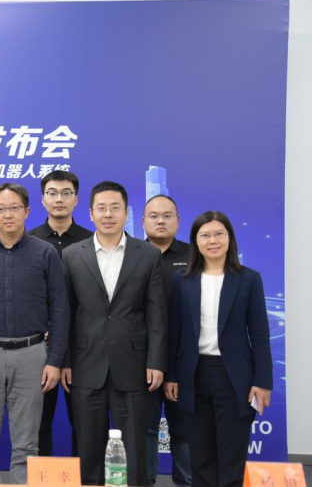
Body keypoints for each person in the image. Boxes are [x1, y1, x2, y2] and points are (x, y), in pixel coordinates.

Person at [60, 181, 167, 486]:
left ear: (126, 213)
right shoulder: (72, 254)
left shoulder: (148, 254)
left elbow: (157, 314)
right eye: (102, 208)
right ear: (90, 213)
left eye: (115, 208)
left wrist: (156, 361)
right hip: (85, 365)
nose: (108, 214)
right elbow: (65, 313)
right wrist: (65, 361)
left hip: (134, 366)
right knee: (88, 447)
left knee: (134, 449)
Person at [0, 183, 69, 484]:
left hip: (32, 355)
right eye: (1, 209)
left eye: (14, 208)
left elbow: (59, 310)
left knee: (26, 445)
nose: (8, 214)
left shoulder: (46, 253)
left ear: (27, 211)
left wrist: (54, 361)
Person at [165, 211, 272, 487]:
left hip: (234, 377)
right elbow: (174, 333)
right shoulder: (182, 279)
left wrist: (263, 381)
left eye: (218, 234)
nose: (212, 241)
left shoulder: (249, 279)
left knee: (232, 456)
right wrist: (172, 375)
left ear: (229, 238)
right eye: (205, 235)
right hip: (193, 375)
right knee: (200, 457)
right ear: (196, 241)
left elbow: (259, 334)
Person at [28, 170, 92, 458]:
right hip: (39, 347)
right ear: (42, 199)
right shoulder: (28, 241)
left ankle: (85, 477)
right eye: (52, 193)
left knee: (85, 424)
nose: (59, 199)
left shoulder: (92, 241)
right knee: (38, 424)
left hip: (83, 349)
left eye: (66, 193)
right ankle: (41, 477)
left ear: (76, 199)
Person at [142, 195, 191, 487]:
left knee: (184, 432)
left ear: (178, 221)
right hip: (141, 359)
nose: (160, 221)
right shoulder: (131, 254)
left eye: (167, 215)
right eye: (154, 215)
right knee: (145, 431)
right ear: (143, 221)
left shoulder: (195, 256)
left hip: (184, 360)